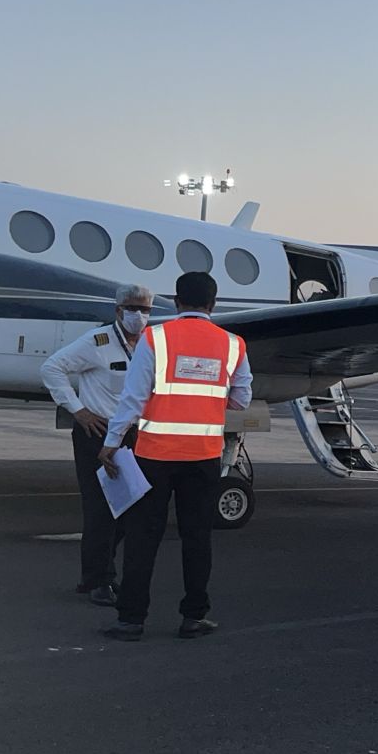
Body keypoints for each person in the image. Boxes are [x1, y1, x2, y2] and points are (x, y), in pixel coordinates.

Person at [97, 272, 251, 641]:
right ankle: (194, 617)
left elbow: (133, 398)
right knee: (197, 538)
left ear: (177, 301)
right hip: (204, 455)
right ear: (213, 304)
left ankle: (131, 620)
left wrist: (112, 441)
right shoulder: (233, 344)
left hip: (155, 454)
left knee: (142, 538)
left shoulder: (155, 337)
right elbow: (242, 398)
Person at [40, 284, 153, 606]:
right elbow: (52, 368)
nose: (139, 315)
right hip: (98, 433)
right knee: (101, 509)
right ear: (118, 311)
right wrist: (78, 410)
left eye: (145, 310)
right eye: (132, 308)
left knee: (131, 508)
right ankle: (98, 580)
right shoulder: (97, 342)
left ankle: (97, 571)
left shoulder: (149, 344)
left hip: (134, 434)